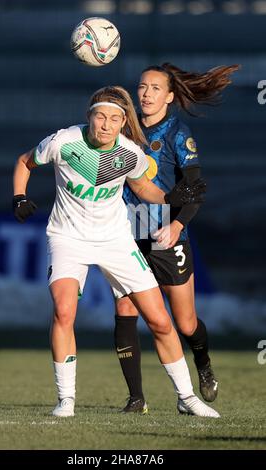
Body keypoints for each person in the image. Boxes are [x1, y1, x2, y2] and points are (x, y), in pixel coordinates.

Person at [13, 85, 220, 419]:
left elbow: (142, 188)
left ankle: (187, 398)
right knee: (65, 312)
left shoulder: (129, 153)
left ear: (123, 122)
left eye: (114, 118)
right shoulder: (64, 141)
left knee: (160, 321)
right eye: (100, 116)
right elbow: (24, 161)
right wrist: (19, 197)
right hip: (68, 238)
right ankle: (66, 400)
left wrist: (171, 199)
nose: (106, 124)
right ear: (89, 117)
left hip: (115, 240)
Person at [114, 63, 239, 413]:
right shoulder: (124, 129)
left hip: (166, 235)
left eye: (155, 88)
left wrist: (177, 225)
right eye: (142, 87)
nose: (146, 94)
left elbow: (194, 187)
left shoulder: (176, 133)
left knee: (184, 322)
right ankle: (136, 398)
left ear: (169, 96)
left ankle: (203, 362)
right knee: (125, 308)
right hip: (127, 235)